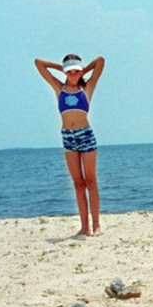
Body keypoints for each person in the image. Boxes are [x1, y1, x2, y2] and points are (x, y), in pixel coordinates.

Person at [35, 54, 106, 235]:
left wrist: (82, 70)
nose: (73, 74)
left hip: (86, 135)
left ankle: (96, 224)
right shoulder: (59, 88)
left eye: (76, 71)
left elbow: (100, 61)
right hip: (68, 137)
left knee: (91, 182)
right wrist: (62, 67)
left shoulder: (87, 88)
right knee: (78, 184)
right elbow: (39, 63)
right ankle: (84, 226)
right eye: (69, 72)